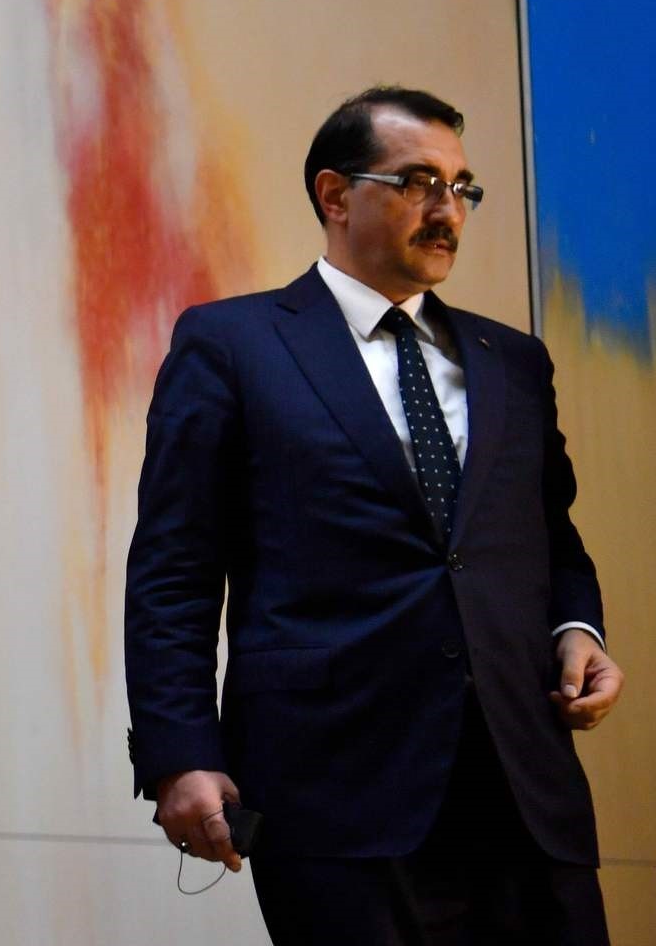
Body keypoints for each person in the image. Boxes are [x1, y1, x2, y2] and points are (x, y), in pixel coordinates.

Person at [123, 87, 621, 945]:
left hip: (522, 785)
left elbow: (551, 538)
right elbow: (175, 571)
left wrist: (578, 626)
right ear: (335, 194)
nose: (446, 210)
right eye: (418, 181)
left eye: (462, 188)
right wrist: (180, 754)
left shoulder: (516, 363)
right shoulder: (232, 345)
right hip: (334, 791)